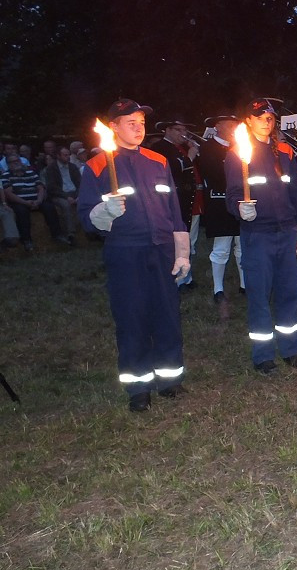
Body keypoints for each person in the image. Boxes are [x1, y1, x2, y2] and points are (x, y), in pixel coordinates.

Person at [76, 98, 190, 411]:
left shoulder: (158, 160)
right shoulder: (98, 165)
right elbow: (87, 219)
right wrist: (105, 211)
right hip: (126, 252)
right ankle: (138, 388)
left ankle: (170, 380)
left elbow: (174, 212)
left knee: (167, 315)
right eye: (131, 122)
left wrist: (182, 253)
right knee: (132, 318)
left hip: (162, 249)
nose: (139, 128)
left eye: (141, 122)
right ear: (113, 127)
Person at [225, 98, 297, 375]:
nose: (266, 120)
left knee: (289, 293)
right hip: (257, 234)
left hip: (286, 231)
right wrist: (241, 209)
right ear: (248, 121)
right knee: (259, 296)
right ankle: (263, 356)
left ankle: (290, 350)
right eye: (259, 116)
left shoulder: (285, 151)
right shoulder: (237, 153)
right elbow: (233, 194)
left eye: (270, 116)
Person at [196, 115, 245, 304]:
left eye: (236, 124)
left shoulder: (239, 146)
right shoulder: (207, 147)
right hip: (219, 203)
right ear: (218, 126)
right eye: (230, 124)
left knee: (242, 247)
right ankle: (218, 288)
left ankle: (244, 284)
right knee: (221, 248)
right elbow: (214, 174)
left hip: (239, 202)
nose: (234, 127)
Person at [151, 120, 200, 286]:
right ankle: (178, 278)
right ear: (168, 130)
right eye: (178, 130)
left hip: (188, 200)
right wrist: (190, 156)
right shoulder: (159, 148)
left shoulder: (183, 147)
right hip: (174, 200)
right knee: (176, 241)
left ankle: (187, 277)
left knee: (188, 240)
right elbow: (173, 169)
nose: (183, 134)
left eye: (184, 130)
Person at [2, 151, 67, 248]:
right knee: (21, 211)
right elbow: (8, 194)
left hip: (36, 199)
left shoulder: (30, 172)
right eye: (12, 162)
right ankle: (26, 240)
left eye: (17, 160)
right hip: (19, 201)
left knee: (49, 207)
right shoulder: (5, 176)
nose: (16, 163)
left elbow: (40, 187)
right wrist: (25, 203)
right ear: (8, 165)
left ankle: (57, 235)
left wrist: (39, 200)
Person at [43, 145, 81, 243]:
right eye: (65, 155)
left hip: (74, 192)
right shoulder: (51, 168)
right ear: (58, 156)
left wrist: (78, 195)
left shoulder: (73, 167)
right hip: (60, 194)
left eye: (68, 155)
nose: (67, 157)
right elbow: (51, 187)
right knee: (66, 205)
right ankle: (71, 233)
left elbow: (80, 183)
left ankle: (93, 230)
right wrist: (66, 196)